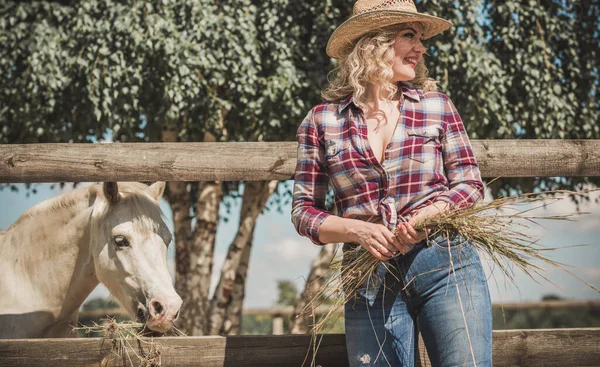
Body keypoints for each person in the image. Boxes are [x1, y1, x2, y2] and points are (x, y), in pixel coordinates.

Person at [291, 0, 492, 366]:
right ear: (373, 43)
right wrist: (358, 231)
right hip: (368, 276)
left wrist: (428, 216)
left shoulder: (437, 106)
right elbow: (304, 212)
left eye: (420, 38)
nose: (421, 47)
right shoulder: (321, 121)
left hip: (444, 261)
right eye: (408, 36)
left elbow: (469, 184)